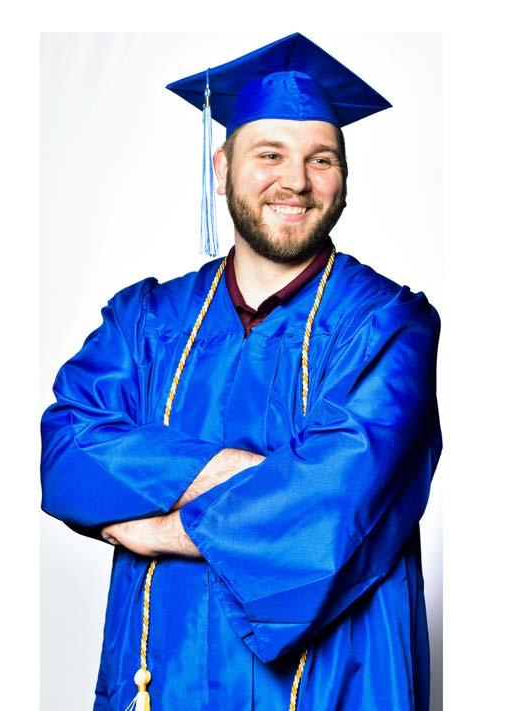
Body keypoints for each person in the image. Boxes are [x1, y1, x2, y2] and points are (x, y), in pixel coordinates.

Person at [41, 32, 442, 711]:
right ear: (222, 167)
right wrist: (265, 476)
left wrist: (155, 527)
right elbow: (67, 452)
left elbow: (333, 511)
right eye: (269, 155)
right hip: (161, 679)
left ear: (344, 178)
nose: (296, 181)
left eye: (321, 159)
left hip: (335, 685)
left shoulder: (388, 325)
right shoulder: (144, 322)